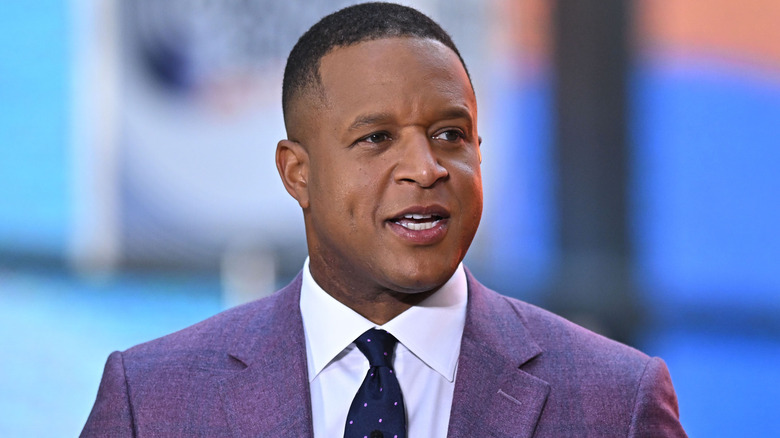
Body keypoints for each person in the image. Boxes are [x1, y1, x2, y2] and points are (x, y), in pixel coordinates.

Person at [81, 3, 686, 437]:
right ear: (297, 173)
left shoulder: (617, 401)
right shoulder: (153, 399)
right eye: (376, 138)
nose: (426, 169)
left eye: (451, 135)